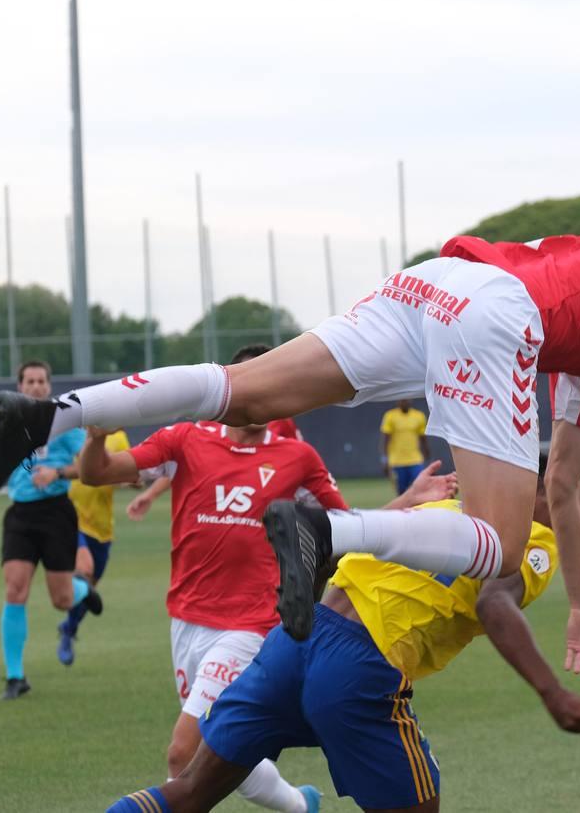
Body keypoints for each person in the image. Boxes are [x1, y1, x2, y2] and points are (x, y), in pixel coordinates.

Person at [0, 191, 580, 670]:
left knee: (247, 395)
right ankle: (330, 533)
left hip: (430, 286)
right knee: (500, 551)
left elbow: (566, 484)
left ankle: (47, 415)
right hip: (492, 312)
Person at [105, 452, 580, 813]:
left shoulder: (442, 511)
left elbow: (330, 553)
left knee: (191, 791)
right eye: (568, 492)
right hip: (357, 664)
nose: (574, 507)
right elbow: (495, 602)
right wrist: (552, 693)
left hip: (293, 643)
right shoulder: (532, 538)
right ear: (535, 492)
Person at [77, 343, 457, 811]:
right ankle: (302, 804)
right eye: (250, 384)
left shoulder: (297, 457)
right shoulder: (184, 440)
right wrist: (96, 439)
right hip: (187, 619)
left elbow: (345, 528)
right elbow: (96, 474)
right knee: (223, 753)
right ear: (230, 389)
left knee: (184, 753)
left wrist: (407, 501)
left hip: (251, 625)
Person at [0, 360, 101, 700]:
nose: (36, 386)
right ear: (20, 386)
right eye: (30, 381)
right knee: (15, 591)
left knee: (61, 600)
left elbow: (87, 465)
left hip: (56, 514)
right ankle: (15, 677)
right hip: (20, 516)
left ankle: (81, 591)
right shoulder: (8, 423)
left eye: (41, 381)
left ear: (49, 385)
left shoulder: (64, 422)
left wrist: (56, 473)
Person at [57, 427, 131, 666]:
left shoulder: (120, 438)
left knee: (89, 591)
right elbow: (76, 469)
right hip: (73, 518)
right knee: (84, 569)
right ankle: (68, 630)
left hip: (102, 527)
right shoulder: (79, 437)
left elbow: (130, 473)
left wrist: (135, 481)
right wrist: (58, 473)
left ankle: (68, 628)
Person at [380, 399, 430, 495]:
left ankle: (418, 509)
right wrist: (384, 460)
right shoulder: (390, 416)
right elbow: (385, 440)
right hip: (397, 461)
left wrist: (428, 456)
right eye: (402, 400)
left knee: (420, 488)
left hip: (415, 460)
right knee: (401, 492)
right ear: (397, 401)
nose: (405, 402)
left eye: (407, 399)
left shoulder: (419, 416)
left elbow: (423, 438)